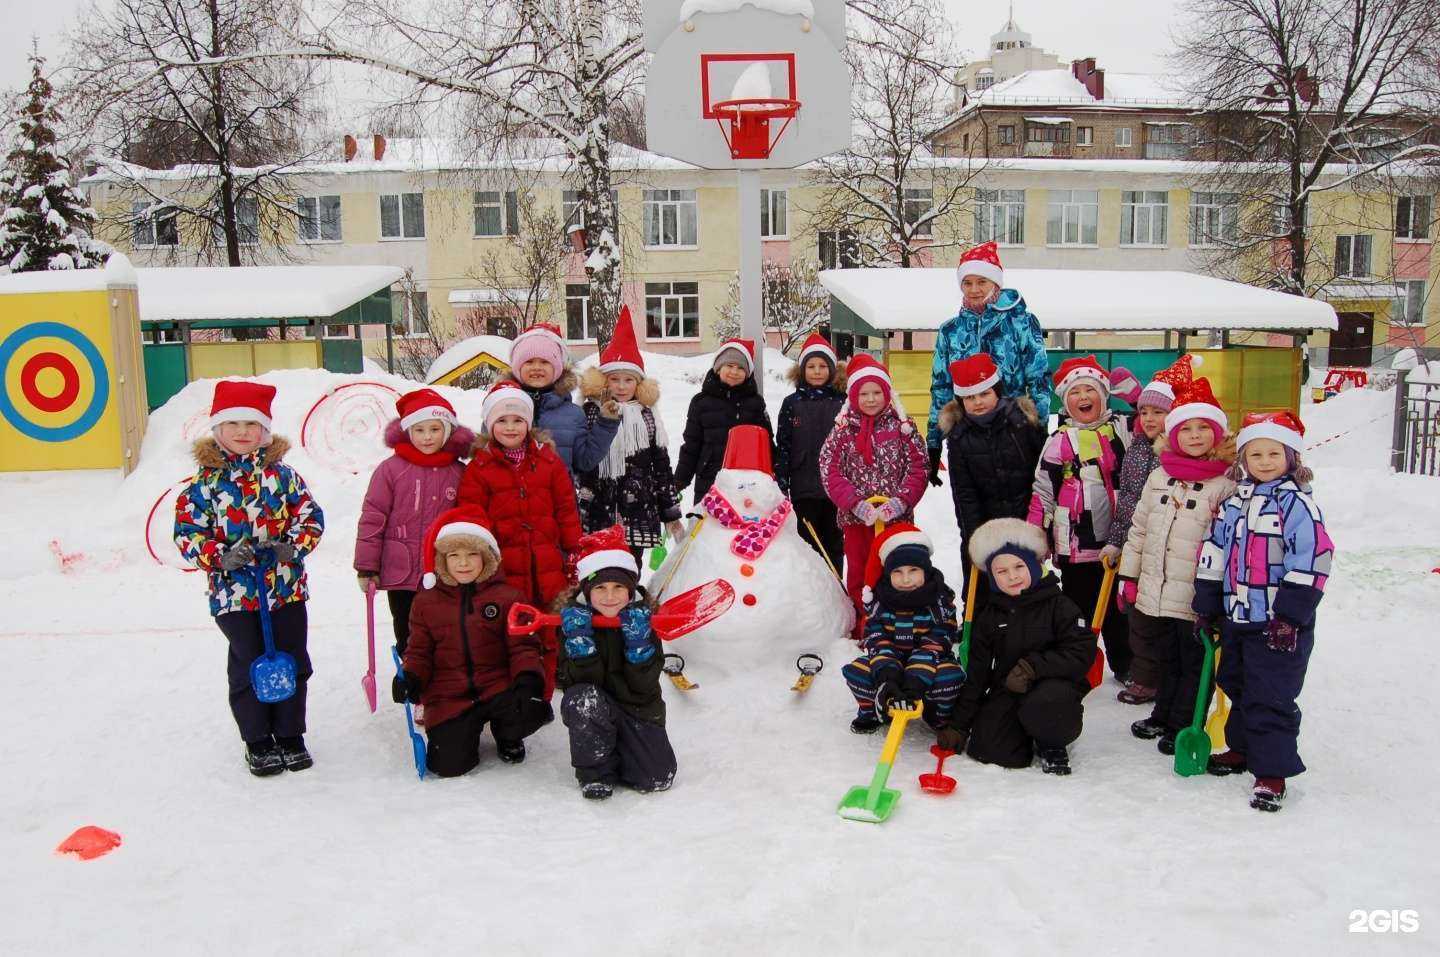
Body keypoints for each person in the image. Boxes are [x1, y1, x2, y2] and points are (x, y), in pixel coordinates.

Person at [174, 380, 325, 777]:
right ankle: (257, 740)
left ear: (265, 430)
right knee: (249, 663)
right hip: (234, 596)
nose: (242, 432)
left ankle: (291, 735)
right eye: (233, 424)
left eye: (251, 424)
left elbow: (310, 517)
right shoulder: (202, 486)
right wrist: (220, 558)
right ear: (217, 429)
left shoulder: (284, 477)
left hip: (285, 589)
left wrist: (291, 547)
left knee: (292, 661)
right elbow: (188, 534)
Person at [1194, 411, 1333, 812]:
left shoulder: (1298, 506)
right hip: (1239, 616)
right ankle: (1243, 748)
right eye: (1256, 454)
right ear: (1243, 460)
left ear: (1291, 457)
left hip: (1279, 623)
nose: (1266, 461)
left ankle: (1272, 772)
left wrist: (1291, 616)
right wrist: (1207, 602)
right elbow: (1215, 550)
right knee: (1235, 682)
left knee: (1270, 695)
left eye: (1275, 453)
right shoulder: (1234, 502)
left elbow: (1313, 560)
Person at [1117, 378, 1236, 756]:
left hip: (1194, 592)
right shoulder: (1160, 475)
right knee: (1163, 656)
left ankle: (1185, 720)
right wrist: (1129, 576)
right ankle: (1163, 714)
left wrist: (1217, 596)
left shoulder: (1225, 483)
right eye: (1187, 429)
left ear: (1217, 435)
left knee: (1193, 660)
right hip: (1156, 586)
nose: (1195, 436)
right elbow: (1139, 528)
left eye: (1204, 429)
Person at [394, 509, 550, 774]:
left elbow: (522, 647)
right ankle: (462, 734)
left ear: (486, 557)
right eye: (454, 556)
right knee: (448, 766)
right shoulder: (426, 602)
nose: (463, 563)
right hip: (449, 694)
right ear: (442, 561)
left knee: (532, 709)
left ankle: (508, 734)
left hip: (496, 686)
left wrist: (528, 679)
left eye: (471, 555)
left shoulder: (508, 597)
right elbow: (419, 651)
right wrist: (411, 677)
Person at [936, 518, 1094, 775]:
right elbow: (977, 674)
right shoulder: (990, 615)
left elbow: (1081, 652)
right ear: (992, 576)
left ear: (1033, 565)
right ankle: (1020, 731)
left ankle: (1051, 742)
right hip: (1009, 688)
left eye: (1019, 566)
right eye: (1001, 571)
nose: (1012, 576)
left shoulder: (1059, 605)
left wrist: (1034, 667)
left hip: (1052, 687)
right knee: (987, 750)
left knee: (1048, 703)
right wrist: (959, 726)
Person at [458, 381, 583, 694]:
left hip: (548, 566)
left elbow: (566, 509)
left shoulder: (548, 461)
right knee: (509, 632)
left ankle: (543, 691)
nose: (510, 427)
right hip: (503, 570)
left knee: (549, 630)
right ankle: (513, 694)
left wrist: (573, 550)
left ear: (529, 423)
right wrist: (480, 563)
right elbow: (473, 520)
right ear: (489, 424)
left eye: (517, 420)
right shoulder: (479, 469)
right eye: (501, 420)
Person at [1027, 355, 1133, 682]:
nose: (1083, 397)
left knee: (1119, 609)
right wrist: (1036, 535)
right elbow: (1043, 489)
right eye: (1074, 392)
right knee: (1077, 608)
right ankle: (1074, 662)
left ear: (1104, 394)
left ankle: (1126, 664)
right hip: (1076, 542)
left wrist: (1134, 395)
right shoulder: (1058, 441)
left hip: (1118, 539)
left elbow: (1160, 421)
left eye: (1090, 389)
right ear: (1065, 400)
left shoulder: (1123, 430)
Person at [557, 525, 677, 800]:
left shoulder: (643, 622)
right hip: (596, 705)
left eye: (618, 587)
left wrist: (639, 645)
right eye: (600, 587)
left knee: (657, 778)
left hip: (637, 709)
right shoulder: (573, 623)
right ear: (587, 590)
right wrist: (581, 645)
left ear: (630, 589)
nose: (609, 596)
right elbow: (573, 685)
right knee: (582, 699)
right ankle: (596, 772)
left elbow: (645, 688)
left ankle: (621, 751)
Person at [354, 389, 474, 658]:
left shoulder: (458, 472)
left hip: (445, 570)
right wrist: (367, 566)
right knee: (408, 629)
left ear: (448, 432)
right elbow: (373, 517)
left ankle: (444, 680)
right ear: (408, 432)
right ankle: (412, 677)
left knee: (445, 628)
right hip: (401, 572)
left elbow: (468, 520)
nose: (427, 436)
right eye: (419, 430)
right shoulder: (391, 470)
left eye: (435, 429)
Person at [818, 354, 929, 631]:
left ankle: (897, 619)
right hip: (858, 521)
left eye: (877, 392)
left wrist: (900, 502)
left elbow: (919, 467)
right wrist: (856, 504)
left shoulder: (903, 428)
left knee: (895, 567)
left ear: (887, 393)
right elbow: (830, 469)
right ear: (853, 396)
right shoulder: (842, 431)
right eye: (864, 394)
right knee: (859, 570)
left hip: (895, 521)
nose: (870, 399)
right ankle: (864, 622)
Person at [925, 241, 1049, 487]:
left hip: (1013, 430)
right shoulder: (950, 331)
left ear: (996, 283)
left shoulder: (1021, 322)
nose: (974, 289)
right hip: (966, 434)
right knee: (972, 510)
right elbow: (941, 387)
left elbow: (1039, 378)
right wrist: (934, 442)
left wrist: (1039, 429)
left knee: (1014, 508)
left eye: (981, 281)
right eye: (967, 283)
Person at [939, 352, 1046, 610]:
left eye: (984, 394)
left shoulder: (1022, 423)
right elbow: (964, 492)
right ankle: (981, 631)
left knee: (1025, 578)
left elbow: (1040, 472)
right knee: (986, 585)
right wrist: (974, 535)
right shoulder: (959, 436)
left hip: (1025, 516)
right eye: (969, 397)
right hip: (985, 520)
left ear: (996, 391)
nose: (977, 402)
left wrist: (1038, 519)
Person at [1103, 364, 1184, 705]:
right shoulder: (1136, 444)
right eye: (1144, 411)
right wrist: (1117, 539)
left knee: (1167, 619)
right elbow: (1128, 499)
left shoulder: (1178, 450)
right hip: (1137, 542)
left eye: (1159, 412)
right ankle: (1145, 677)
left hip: (1170, 546)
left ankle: (1169, 680)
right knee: (1139, 617)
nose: (1149, 418)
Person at [576, 308, 684, 561]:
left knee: (630, 566)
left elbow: (661, 466)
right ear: (604, 381)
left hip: (638, 508)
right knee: (598, 567)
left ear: (639, 384)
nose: (622, 386)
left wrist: (670, 512)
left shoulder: (647, 415)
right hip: (598, 506)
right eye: (615, 379)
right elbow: (582, 462)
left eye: (628, 380)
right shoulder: (591, 411)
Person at [841, 524, 965, 734]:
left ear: (925, 571)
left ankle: (937, 715)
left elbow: (935, 644)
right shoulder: (880, 602)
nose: (906, 579)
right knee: (856, 672)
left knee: (951, 677)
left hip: (931, 661)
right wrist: (889, 676)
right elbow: (877, 639)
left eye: (913, 571)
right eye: (897, 572)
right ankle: (875, 709)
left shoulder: (940, 602)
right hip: (890, 659)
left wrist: (914, 681)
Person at [503, 321, 618, 474]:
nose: (536, 367)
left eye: (545, 362)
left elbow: (584, 461)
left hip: (558, 497)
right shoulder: (501, 407)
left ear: (557, 369)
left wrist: (606, 424)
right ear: (517, 368)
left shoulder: (573, 415)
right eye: (529, 362)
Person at [774, 333, 847, 572]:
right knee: (807, 545)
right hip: (803, 487)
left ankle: (837, 591)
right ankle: (811, 596)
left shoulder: (843, 402)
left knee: (834, 544)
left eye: (823, 366)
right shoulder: (791, 404)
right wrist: (782, 482)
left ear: (832, 370)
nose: (817, 371)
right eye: (811, 366)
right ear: (802, 370)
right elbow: (783, 445)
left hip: (837, 489)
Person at [674, 337, 773, 501]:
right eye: (729, 366)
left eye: (741, 368)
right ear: (718, 368)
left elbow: (767, 442)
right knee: (709, 525)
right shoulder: (701, 403)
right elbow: (691, 445)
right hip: (710, 481)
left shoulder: (755, 403)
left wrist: (774, 476)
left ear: (747, 373)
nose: (734, 372)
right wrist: (679, 480)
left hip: (746, 485)